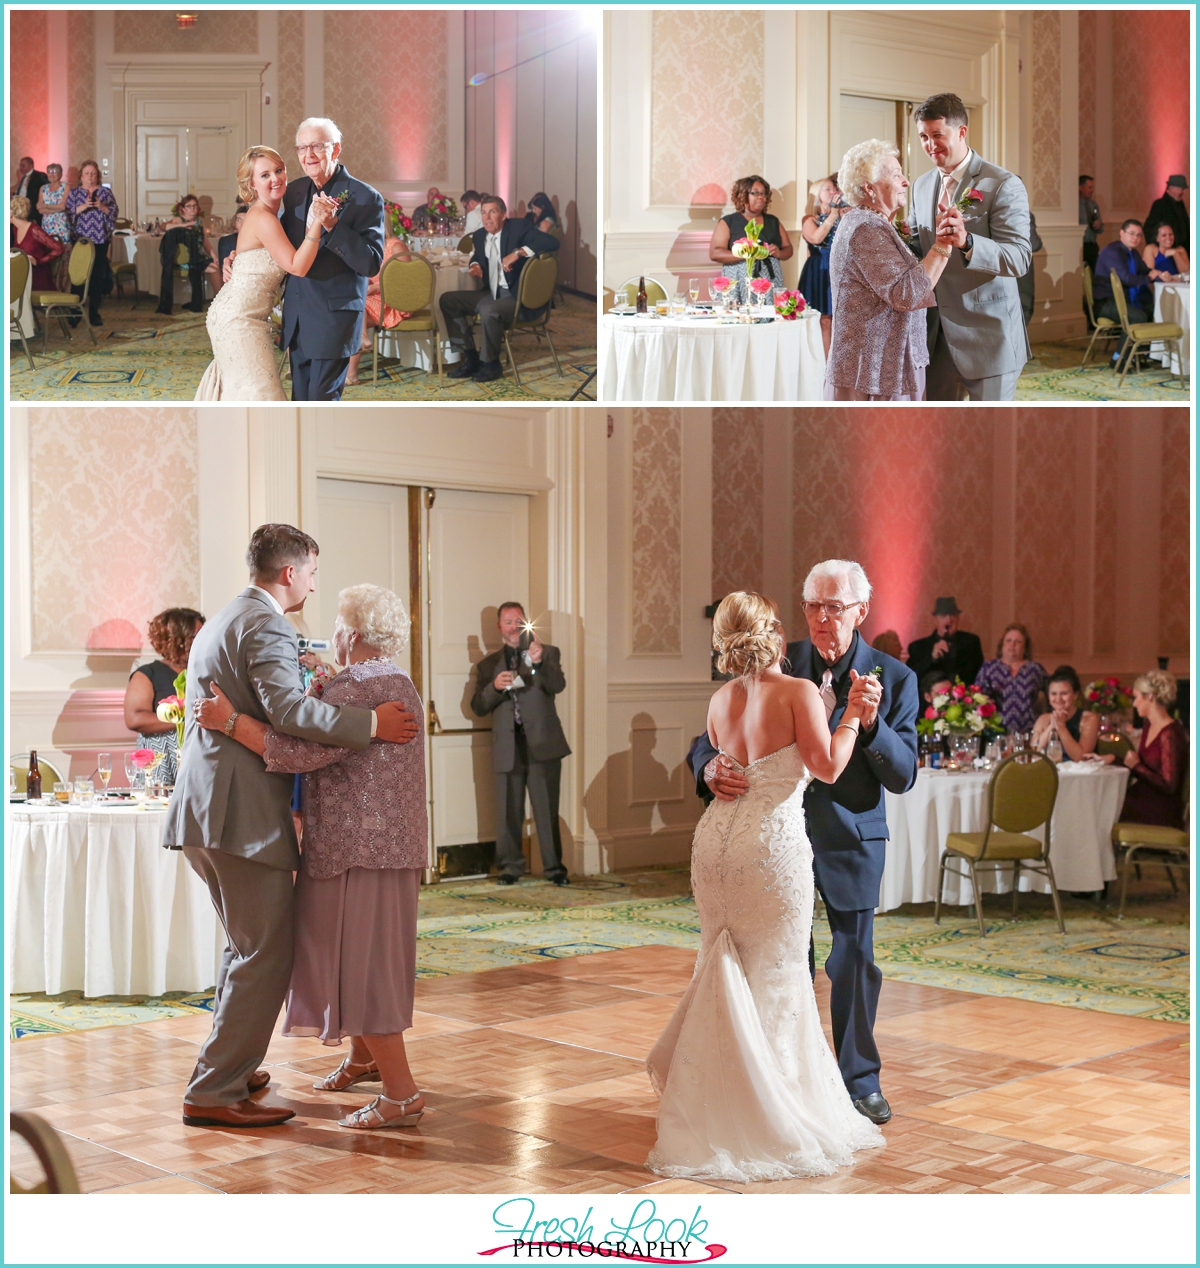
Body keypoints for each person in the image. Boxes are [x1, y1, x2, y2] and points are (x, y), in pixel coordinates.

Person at [162, 523, 420, 1130]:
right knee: (264, 955)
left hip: (209, 812)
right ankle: (216, 1087)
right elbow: (289, 711)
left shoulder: (226, 617)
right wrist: (371, 727)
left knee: (245, 950)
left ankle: (235, 1067)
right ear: (289, 572)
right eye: (310, 572)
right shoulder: (269, 622)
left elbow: (273, 706)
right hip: (241, 816)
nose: (311, 584)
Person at [647, 591, 886, 1181]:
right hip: (769, 852)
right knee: (775, 974)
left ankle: (716, 1102)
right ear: (776, 633)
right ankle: (771, 1112)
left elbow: (730, 760)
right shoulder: (799, 692)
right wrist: (852, 715)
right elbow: (828, 767)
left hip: (714, 849)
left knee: (721, 964)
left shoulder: (720, 699)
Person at [689, 560, 919, 1129]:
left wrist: (867, 724)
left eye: (833, 607)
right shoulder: (773, 655)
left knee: (853, 960)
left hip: (849, 839)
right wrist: (708, 767)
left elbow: (904, 772)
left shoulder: (895, 676)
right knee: (783, 964)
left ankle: (859, 1082)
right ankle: (783, 1083)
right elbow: (705, 739)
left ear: (860, 612)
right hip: (772, 844)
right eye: (812, 606)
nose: (820, 618)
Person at [910, 93, 1032, 401]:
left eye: (938, 135)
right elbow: (914, 246)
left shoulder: (1001, 184)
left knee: (991, 439)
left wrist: (968, 242)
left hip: (989, 338)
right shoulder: (921, 186)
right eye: (923, 136)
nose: (929, 145)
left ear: (962, 132)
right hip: (936, 340)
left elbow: (1019, 258)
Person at [196, 146, 338, 401]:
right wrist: (319, 220)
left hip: (239, 314)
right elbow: (297, 266)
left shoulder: (273, 216)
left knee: (247, 393)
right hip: (239, 320)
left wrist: (233, 260)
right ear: (251, 183)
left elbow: (253, 258)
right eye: (265, 175)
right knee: (261, 396)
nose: (275, 179)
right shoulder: (263, 217)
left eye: (279, 170)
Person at [824, 140, 952, 401]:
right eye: (896, 175)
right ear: (869, 188)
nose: (906, 182)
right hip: (875, 372)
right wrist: (943, 244)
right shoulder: (866, 229)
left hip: (878, 365)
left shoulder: (864, 221)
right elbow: (906, 294)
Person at [470, 602, 571, 885]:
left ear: (526, 623)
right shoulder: (488, 665)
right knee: (507, 812)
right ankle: (510, 868)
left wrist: (537, 664)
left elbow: (557, 685)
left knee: (546, 809)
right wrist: (495, 688)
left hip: (542, 744)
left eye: (518, 621)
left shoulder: (548, 653)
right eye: (508, 622)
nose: (514, 627)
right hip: (507, 747)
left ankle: (554, 869)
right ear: (499, 628)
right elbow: (478, 706)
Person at [440, 195, 560, 383]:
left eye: (492, 212)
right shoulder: (480, 235)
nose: (486, 217)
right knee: (448, 300)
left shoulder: (518, 228)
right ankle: (470, 358)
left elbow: (552, 243)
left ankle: (491, 364)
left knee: (489, 310)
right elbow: (477, 256)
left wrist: (518, 253)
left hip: (518, 296)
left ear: (503, 215)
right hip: (494, 293)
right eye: (484, 213)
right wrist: (475, 264)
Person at [123, 606, 206, 786]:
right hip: (161, 763)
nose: (202, 640)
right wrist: (184, 718)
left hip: (201, 761)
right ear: (176, 639)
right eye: (195, 636)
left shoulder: (206, 672)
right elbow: (134, 718)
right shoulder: (148, 674)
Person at [708, 175, 793, 305]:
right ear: (742, 195)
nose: (761, 197)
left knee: (769, 320)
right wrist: (747, 253)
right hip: (738, 278)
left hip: (769, 280)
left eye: (764, 194)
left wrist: (779, 253)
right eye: (756, 193)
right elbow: (715, 253)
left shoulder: (773, 221)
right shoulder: (729, 222)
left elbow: (788, 249)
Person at [1119, 670, 1188, 828]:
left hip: (1160, 808)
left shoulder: (1170, 733)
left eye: (1136, 697)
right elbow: (1142, 766)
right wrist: (1112, 758)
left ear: (1150, 696)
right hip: (1144, 798)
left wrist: (1136, 766)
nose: (1134, 703)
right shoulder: (1148, 725)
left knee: (1106, 806)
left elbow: (1170, 786)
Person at [1093, 220, 1167, 366]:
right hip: (1106, 302)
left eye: (1139, 235)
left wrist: (1160, 275)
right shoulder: (1112, 251)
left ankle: (1139, 355)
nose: (1135, 238)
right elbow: (1126, 279)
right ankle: (1118, 358)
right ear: (1122, 233)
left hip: (1124, 300)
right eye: (1132, 234)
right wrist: (1149, 277)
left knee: (1156, 310)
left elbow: (1145, 271)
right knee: (1137, 316)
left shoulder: (1133, 253)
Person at [345, 232, 413, 386]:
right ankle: (348, 369)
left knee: (354, 310)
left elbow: (407, 281)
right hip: (375, 299)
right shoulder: (371, 244)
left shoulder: (396, 246)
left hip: (395, 301)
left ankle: (352, 371)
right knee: (348, 310)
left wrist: (375, 287)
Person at [65, 159, 117, 326]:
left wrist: (101, 206)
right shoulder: (74, 193)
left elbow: (114, 211)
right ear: (81, 176)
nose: (90, 176)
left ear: (98, 175)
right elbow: (67, 214)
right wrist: (83, 207)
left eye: (93, 173)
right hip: (81, 240)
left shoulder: (105, 192)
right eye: (87, 173)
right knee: (78, 276)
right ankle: (75, 313)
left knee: (97, 277)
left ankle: (94, 313)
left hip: (100, 239)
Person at [799, 174, 843, 356]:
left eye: (834, 188)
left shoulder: (844, 215)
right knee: (824, 319)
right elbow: (816, 238)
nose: (833, 191)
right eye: (827, 189)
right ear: (817, 195)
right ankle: (825, 368)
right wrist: (832, 215)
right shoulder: (809, 219)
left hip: (839, 268)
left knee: (839, 319)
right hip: (818, 270)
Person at [975, 623, 1046, 735]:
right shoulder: (989, 668)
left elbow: (1052, 693)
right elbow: (977, 697)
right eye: (1008, 640)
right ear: (1002, 645)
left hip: (1029, 731)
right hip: (995, 731)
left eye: (1018, 642)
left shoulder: (1035, 669)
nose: (1012, 645)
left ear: (1025, 647)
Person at [906, 597, 984, 687]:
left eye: (953, 615)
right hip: (930, 699)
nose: (949, 620)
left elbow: (978, 674)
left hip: (963, 697)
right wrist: (932, 658)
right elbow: (911, 677)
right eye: (943, 616)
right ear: (935, 620)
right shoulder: (918, 647)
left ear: (958, 618)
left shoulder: (971, 642)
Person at [1031, 666, 1102, 762]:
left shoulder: (1089, 718)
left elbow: (1080, 757)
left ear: (1075, 695)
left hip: (1079, 773)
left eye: (1064, 693)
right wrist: (1052, 726)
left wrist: (1061, 727)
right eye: (1053, 694)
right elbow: (1035, 753)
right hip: (1049, 773)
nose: (1058, 699)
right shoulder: (1044, 719)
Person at [10, 196, 66, 292]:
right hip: (22, 274)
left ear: (11, 213)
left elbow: (59, 248)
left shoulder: (34, 230)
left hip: (37, 277)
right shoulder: (15, 229)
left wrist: (39, 261)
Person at [1144, 175, 1189, 254]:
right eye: (1181, 189)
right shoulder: (1160, 205)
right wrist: (1160, 249)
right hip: (1167, 252)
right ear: (1171, 188)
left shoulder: (1180, 204)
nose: (1183, 192)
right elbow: (1149, 229)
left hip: (1183, 251)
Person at [36, 163, 70, 243]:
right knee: (49, 250)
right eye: (49, 172)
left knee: (63, 249)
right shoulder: (43, 188)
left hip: (62, 224)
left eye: (54, 171)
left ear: (60, 174)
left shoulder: (66, 186)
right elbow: (40, 210)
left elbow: (63, 206)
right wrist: (58, 208)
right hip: (47, 225)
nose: (51, 174)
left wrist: (45, 206)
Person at [1079, 175, 1103, 272]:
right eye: (1089, 187)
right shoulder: (1073, 205)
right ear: (1080, 187)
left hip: (1092, 246)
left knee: (1095, 273)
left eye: (1092, 187)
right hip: (1080, 246)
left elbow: (1101, 229)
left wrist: (1098, 225)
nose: (1092, 190)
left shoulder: (1094, 205)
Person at [12, 157, 47, 222]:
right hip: (21, 209)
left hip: (32, 210)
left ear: (30, 165)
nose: (21, 168)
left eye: (23, 165)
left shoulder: (39, 176)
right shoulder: (24, 177)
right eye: (20, 165)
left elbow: (47, 189)